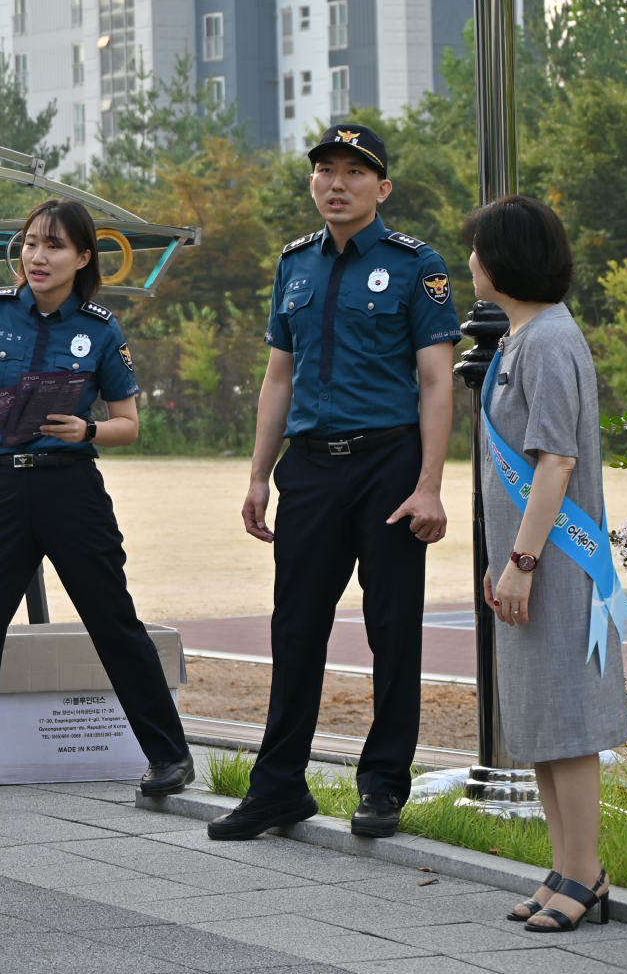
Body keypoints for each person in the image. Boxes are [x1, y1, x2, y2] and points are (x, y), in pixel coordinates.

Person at [0, 199, 193, 816]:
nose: (38, 255)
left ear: (83, 257)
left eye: (54, 246)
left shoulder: (100, 328)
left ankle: (169, 755)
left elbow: (129, 425)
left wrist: (84, 432)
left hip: (70, 488)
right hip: (1, 488)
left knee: (112, 619)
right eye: (31, 243)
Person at [210, 125, 459, 841]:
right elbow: (277, 376)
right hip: (310, 469)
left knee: (391, 630)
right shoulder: (294, 264)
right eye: (325, 170)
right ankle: (279, 785)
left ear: (381, 188)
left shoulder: (418, 265)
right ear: (313, 182)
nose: (337, 182)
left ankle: (383, 786)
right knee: (295, 629)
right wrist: (259, 475)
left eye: (355, 171)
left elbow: (439, 381)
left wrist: (430, 483)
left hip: (388, 464)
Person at [466, 196, 627, 933]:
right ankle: (565, 869)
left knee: (565, 718)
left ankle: (588, 872)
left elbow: (555, 458)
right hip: (527, 562)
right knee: (537, 715)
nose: (469, 259)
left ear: (504, 259)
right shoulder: (519, 337)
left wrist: (522, 561)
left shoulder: (551, 340)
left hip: (555, 564)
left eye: (477, 247)